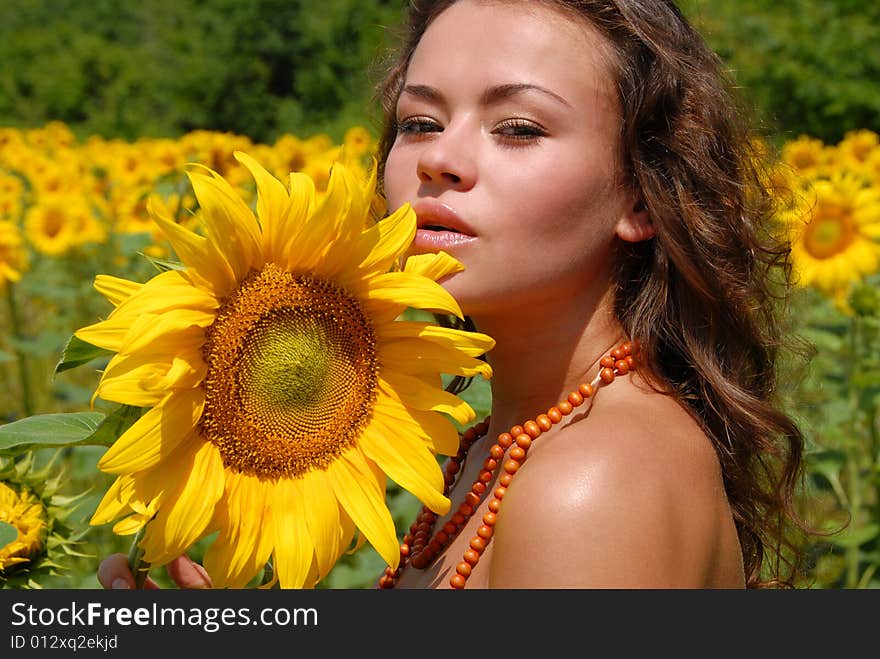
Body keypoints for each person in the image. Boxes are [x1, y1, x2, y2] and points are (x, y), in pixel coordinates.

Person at [98, 0, 809, 590]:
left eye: (519, 128)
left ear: (642, 192)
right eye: (420, 123)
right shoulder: (498, 448)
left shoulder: (592, 482)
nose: (438, 159)